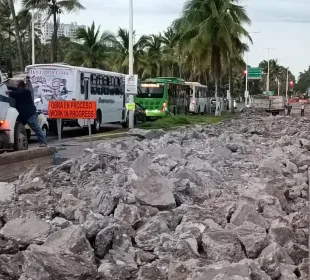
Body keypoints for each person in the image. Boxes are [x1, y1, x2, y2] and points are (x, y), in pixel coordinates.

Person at [6, 80, 47, 147]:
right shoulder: (21, 90)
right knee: (18, 127)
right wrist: (5, 87)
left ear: (20, 86)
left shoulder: (26, 91)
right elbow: (14, 89)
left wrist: (9, 92)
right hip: (23, 115)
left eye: (17, 85)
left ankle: (43, 142)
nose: (16, 86)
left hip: (30, 114)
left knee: (36, 127)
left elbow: (16, 93)